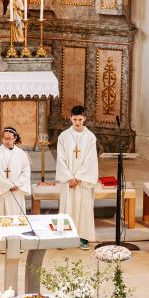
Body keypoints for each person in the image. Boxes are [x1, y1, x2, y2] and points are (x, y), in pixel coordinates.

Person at [56, 105, 98, 250]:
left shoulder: (90, 137)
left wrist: (78, 178)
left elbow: (91, 160)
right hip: (69, 181)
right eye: (75, 119)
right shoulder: (63, 136)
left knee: (84, 208)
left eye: (80, 119)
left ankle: (84, 237)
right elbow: (60, 159)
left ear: (85, 118)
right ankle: (65, 237)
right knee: (67, 207)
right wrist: (69, 178)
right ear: (70, 118)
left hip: (82, 181)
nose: (78, 122)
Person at [0, 127, 31, 215]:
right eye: (5, 138)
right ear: (2, 138)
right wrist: (9, 186)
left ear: (14, 138)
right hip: (3, 191)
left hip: (17, 190)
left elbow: (26, 172)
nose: (7, 141)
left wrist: (17, 184)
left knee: (16, 216)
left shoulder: (22, 154)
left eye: (9, 139)